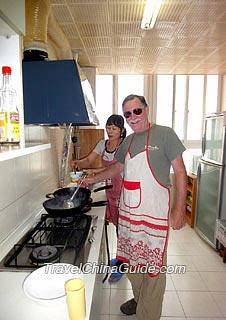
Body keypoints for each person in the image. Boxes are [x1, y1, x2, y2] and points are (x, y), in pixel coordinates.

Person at [82, 94, 187, 320]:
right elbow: (117, 167)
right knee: (132, 264)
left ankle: (147, 314)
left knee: (153, 269)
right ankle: (140, 299)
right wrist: (93, 179)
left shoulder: (165, 134)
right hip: (129, 217)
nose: (132, 117)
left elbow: (180, 171)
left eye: (136, 111)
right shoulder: (127, 142)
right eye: (127, 113)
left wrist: (178, 211)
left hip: (153, 218)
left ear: (146, 109)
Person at [70, 114, 126, 283]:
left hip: (124, 191)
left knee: (123, 229)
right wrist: (77, 163)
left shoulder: (124, 146)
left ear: (122, 130)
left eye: (114, 128)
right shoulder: (103, 144)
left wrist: (94, 172)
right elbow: (89, 159)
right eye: (108, 127)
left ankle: (122, 264)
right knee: (117, 226)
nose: (110, 131)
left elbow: (116, 167)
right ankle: (120, 260)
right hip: (110, 189)